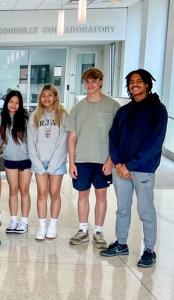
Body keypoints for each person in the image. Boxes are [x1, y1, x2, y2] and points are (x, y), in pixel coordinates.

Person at [100, 69, 168, 268]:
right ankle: (121, 244)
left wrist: (129, 165)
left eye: (139, 81)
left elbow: (155, 143)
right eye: (131, 81)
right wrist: (119, 164)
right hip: (121, 169)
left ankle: (149, 250)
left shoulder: (158, 109)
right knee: (122, 209)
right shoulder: (124, 111)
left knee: (145, 210)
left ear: (147, 84)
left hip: (143, 169)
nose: (134, 84)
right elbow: (113, 138)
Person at [65, 68, 121, 248]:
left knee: (101, 194)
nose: (90, 85)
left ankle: (98, 232)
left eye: (94, 81)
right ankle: (83, 230)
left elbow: (117, 137)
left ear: (101, 82)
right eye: (87, 82)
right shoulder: (77, 109)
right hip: (81, 160)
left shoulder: (113, 107)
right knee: (82, 194)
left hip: (103, 160)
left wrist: (111, 160)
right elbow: (72, 138)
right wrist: (71, 162)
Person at [27, 84, 68, 241]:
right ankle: (42, 226)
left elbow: (63, 143)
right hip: (39, 163)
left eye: (49, 95)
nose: (46, 98)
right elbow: (31, 142)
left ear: (55, 97)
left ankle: (53, 226)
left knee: (55, 193)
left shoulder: (63, 116)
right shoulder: (35, 116)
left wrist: (52, 166)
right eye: (43, 95)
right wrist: (37, 164)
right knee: (42, 193)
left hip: (56, 163)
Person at [0, 91, 31, 234]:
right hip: (10, 159)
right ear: (6, 103)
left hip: (25, 159)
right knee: (13, 191)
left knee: (24, 191)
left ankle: (24, 222)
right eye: (11, 102)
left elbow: (31, 139)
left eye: (17, 103)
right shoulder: (2, 118)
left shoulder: (25, 118)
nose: (14, 105)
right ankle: (13, 220)